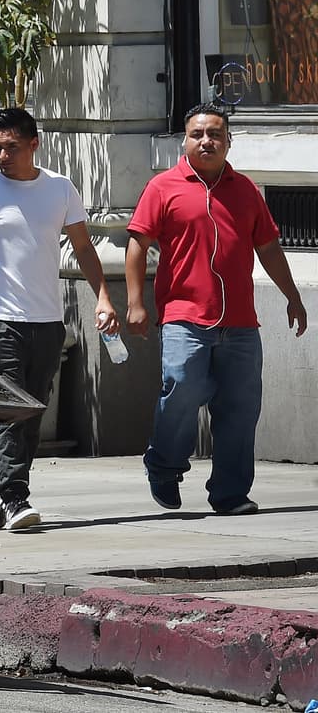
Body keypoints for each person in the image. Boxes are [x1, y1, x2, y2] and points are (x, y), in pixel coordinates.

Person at [0, 107, 119, 530]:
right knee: (9, 407)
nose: (3, 156)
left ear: (34, 144)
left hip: (48, 320)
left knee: (33, 409)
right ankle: (13, 495)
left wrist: (104, 296)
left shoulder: (60, 189)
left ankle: (14, 490)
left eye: (11, 147)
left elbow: (85, 249)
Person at [125, 103, 307, 515]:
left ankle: (230, 493)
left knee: (241, 409)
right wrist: (135, 303)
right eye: (197, 134)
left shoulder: (245, 190)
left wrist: (292, 296)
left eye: (215, 134)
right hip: (184, 317)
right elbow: (137, 244)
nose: (206, 141)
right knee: (182, 388)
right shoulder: (163, 188)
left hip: (240, 323)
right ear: (185, 140)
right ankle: (165, 464)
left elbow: (268, 248)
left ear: (228, 141)